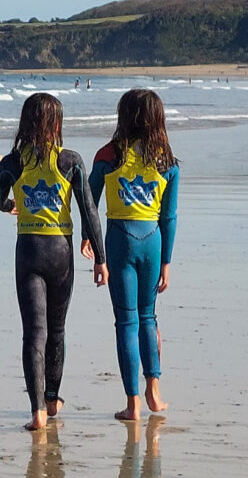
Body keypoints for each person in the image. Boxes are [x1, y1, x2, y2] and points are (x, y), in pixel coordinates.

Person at [0, 92, 107, 431]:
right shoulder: (71, 161)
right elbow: (89, 211)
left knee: (34, 333)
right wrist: (101, 258)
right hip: (61, 252)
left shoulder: (11, 162)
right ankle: (53, 399)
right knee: (56, 330)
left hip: (28, 250)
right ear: (57, 124)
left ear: (25, 123)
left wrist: (11, 202)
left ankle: (37, 412)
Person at [88, 88, 179, 421]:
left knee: (126, 322)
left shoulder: (108, 155)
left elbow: (89, 201)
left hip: (119, 240)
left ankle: (133, 404)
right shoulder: (167, 161)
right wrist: (166, 261)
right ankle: (154, 389)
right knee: (148, 317)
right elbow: (169, 216)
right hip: (153, 240)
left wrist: (90, 239)